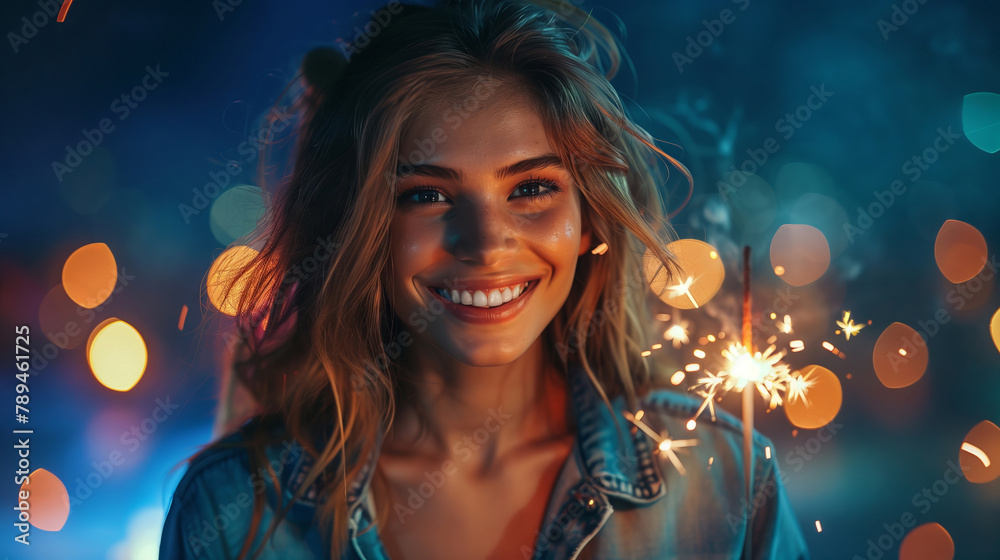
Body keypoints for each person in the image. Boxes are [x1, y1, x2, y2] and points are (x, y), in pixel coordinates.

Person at [159, 1, 810, 558]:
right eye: (425, 195)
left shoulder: (724, 482)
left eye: (531, 188)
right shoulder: (233, 511)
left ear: (589, 221)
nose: (486, 242)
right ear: (355, 229)